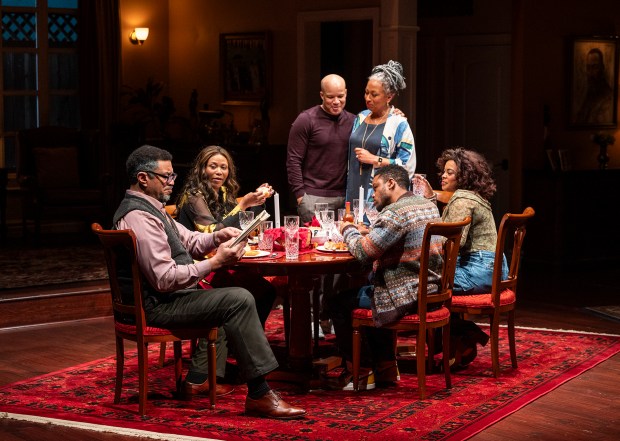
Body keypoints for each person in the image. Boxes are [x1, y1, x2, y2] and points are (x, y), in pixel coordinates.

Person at [113, 145, 305, 420]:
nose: (170, 182)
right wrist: (214, 263)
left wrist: (218, 237)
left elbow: (189, 240)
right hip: (155, 305)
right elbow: (164, 278)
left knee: (247, 292)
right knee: (237, 298)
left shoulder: (152, 209)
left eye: (172, 177)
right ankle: (259, 393)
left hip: (169, 297)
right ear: (143, 178)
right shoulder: (138, 215)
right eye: (165, 177)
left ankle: (245, 379)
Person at [326, 164, 444, 390]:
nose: (373, 193)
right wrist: (368, 234)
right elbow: (395, 236)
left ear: (391, 183)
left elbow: (363, 253)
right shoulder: (425, 205)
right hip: (430, 289)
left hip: (405, 294)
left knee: (338, 303)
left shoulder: (395, 212)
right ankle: (385, 367)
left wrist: (348, 229)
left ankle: (360, 371)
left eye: (375, 187)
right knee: (371, 288)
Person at [175, 145, 278, 382]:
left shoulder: (222, 194)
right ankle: (208, 372)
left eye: (223, 167)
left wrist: (256, 202)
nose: (219, 172)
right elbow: (212, 231)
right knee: (240, 295)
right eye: (213, 166)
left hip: (219, 263)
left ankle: (239, 349)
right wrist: (243, 205)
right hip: (198, 267)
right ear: (202, 169)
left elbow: (237, 225)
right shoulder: (194, 197)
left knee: (264, 290)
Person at [413, 147, 508, 368]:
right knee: (431, 284)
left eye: (450, 172)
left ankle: (460, 338)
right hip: (490, 266)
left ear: (464, 176)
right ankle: (459, 340)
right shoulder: (471, 197)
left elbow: (451, 245)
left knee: (423, 286)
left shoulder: (461, 201)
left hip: (481, 268)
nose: (443, 176)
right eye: (443, 171)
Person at [345, 60, 416, 209]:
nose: (367, 98)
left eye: (374, 94)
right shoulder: (360, 118)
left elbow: (407, 167)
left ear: (389, 97)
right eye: (366, 92)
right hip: (354, 189)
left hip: (381, 197)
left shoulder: (399, 124)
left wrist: (374, 159)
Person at [286, 74, 353, 224]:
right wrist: (301, 197)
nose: (336, 102)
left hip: (345, 197)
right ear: (322, 95)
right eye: (330, 97)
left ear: (346, 93)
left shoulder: (354, 121)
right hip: (313, 197)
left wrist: (395, 114)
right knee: (315, 245)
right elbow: (293, 160)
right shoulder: (306, 120)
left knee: (340, 246)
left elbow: (376, 122)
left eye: (340, 96)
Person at [575, 48, 614, 125]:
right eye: (588, 68)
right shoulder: (590, 94)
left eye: (594, 67)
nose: (590, 73)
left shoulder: (608, 97)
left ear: (602, 68)